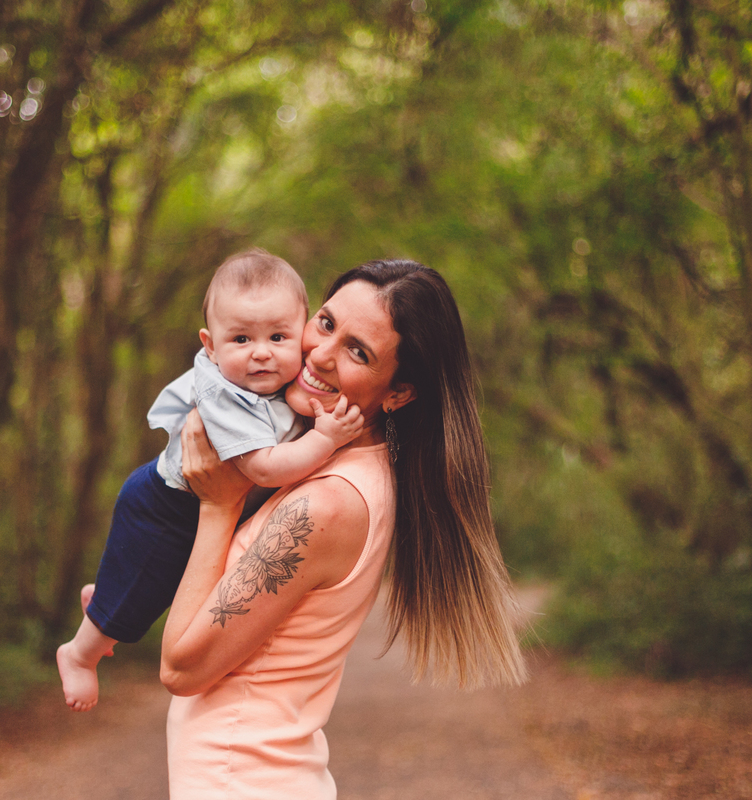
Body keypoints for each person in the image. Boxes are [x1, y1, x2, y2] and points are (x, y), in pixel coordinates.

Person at [160, 259, 527, 799]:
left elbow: (181, 668)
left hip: (241, 780)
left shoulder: (327, 504)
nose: (319, 355)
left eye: (359, 351)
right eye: (327, 323)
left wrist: (218, 506)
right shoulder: (332, 468)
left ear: (398, 392)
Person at [57, 248, 364, 711]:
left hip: (193, 503)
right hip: (163, 508)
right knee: (146, 586)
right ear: (210, 344)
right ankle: (80, 654)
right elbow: (262, 469)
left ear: (300, 332)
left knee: (165, 585)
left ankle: (110, 592)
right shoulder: (225, 393)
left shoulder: (281, 377)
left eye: (278, 336)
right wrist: (326, 440)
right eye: (241, 338)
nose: (261, 352)